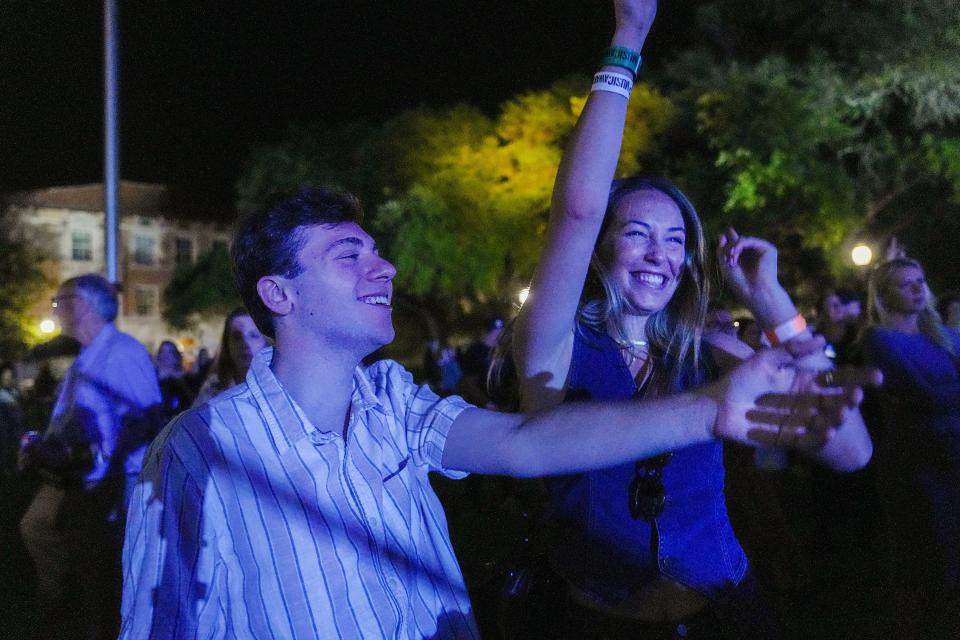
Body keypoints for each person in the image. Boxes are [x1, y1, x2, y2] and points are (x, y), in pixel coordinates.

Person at [509, 2, 874, 637]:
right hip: (600, 622)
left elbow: (852, 451)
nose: (660, 254)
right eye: (638, 234)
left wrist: (772, 302)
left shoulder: (709, 353)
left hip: (728, 614)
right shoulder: (554, 345)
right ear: (602, 248)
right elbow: (576, 210)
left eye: (676, 240)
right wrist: (629, 37)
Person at [19, 274, 162, 640]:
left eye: (60, 299)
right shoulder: (88, 355)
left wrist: (109, 467)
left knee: (102, 575)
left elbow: (147, 418)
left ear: (83, 304)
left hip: (111, 482)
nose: (55, 307)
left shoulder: (123, 352)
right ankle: (68, 610)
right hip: (81, 477)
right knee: (49, 536)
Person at [862, 256, 960, 638]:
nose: (919, 289)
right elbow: (926, 396)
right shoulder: (879, 339)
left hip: (953, 450)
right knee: (937, 555)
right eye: (907, 284)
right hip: (920, 461)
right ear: (885, 295)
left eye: (921, 281)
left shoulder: (944, 336)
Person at [191, 307, 270, 406]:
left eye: (253, 335)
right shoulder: (213, 388)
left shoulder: (279, 386)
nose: (245, 343)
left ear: (265, 342)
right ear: (227, 345)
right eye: (237, 337)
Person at [155, 340, 195, 418]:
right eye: (163, 352)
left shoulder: (185, 378)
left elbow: (190, 401)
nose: (165, 356)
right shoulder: (153, 376)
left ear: (176, 356)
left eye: (169, 352)